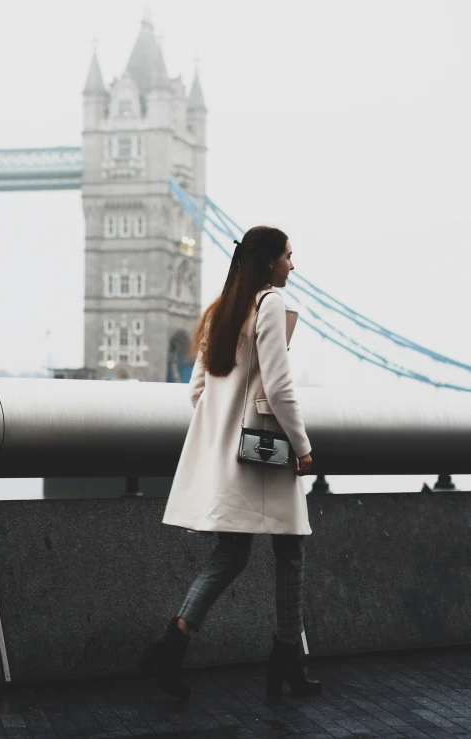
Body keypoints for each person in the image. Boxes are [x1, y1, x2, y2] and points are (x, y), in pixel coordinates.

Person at [138, 226, 321, 701]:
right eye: (287, 256)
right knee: (291, 551)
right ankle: (286, 659)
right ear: (268, 263)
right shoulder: (270, 305)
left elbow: (197, 391)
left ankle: (173, 642)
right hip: (264, 453)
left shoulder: (222, 308)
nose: (292, 265)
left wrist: (225, 421)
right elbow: (279, 388)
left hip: (227, 456)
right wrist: (301, 447)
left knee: (232, 554)